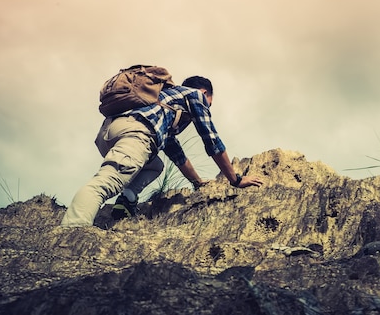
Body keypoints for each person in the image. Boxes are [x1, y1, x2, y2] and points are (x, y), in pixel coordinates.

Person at [60, 75, 262, 227]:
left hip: (110, 132)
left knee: (155, 165)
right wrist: (235, 179)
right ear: (205, 92)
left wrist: (197, 182)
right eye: (210, 102)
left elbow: (178, 156)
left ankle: (128, 198)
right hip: (137, 134)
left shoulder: (165, 105)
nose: (208, 107)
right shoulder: (196, 96)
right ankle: (72, 229)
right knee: (104, 184)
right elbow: (211, 140)